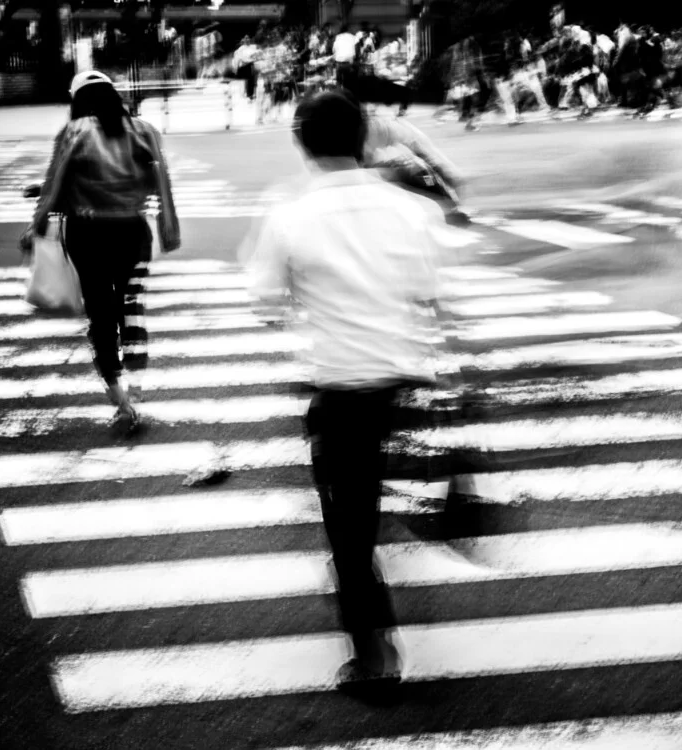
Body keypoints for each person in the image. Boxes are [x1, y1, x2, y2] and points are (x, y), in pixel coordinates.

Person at [246, 90, 449, 692]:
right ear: (364, 138)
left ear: (300, 140)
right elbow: (430, 294)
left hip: (343, 393)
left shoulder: (288, 213)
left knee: (351, 533)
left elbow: (263, 302)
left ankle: (376, 658)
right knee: (376, 507)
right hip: (407, 385)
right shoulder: (412, 210)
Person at [21, 71, 180, 432]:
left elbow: (54, 185)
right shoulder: (145, 130)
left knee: (100, 315)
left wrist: (37, 224)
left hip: (87, 235)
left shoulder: (73, 132)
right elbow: (162, 181)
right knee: (131, 309)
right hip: (133, 234)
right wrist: (169, 228)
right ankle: (137, 391)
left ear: (76, 100)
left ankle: (118, 398)